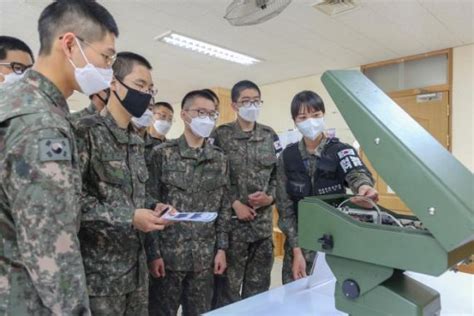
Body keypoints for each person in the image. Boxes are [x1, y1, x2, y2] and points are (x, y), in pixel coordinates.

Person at [0, 0, 119, 314]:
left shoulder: (12, 100)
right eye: (106, 56)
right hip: (24, 299)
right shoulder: (41, 123)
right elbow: (51, 248)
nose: (108, 70)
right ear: (69, 44)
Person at [74, 51, 170, 315]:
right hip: (101, 278)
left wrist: (156, 207)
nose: (146, 95)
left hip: (137, 275)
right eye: (140, 85)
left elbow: (137, 197)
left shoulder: (137, 142)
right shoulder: (84, 131)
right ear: (113, 84)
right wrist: (129, 217)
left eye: (151, 89)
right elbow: (71, 202)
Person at [276, 90, 378, 284]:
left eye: (316, 115)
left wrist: (364, 187)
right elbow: (284, 207)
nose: (310, 122)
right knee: (295, 299)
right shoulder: (287, 157)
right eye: (303, 117)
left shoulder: (341, 150)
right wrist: (297, 250)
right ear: (295, 121)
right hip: (298, 244)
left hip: (334, 243)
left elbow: (356, 173)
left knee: (331, 299)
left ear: (323, 115)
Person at [146, 90, 231, 316]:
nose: (207, 119)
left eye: (212, 114)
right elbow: (149, 203)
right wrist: (153, 253)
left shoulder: (220, 159)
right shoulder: (162, 154)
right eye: (200, 112)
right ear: (184, 115)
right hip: (168, 258)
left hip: (204, 260)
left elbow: (223, 208)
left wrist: (222, 249)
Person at [210, 80, 281, 307]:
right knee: (227, 294)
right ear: (234, 105)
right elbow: (212, 176)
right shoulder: (220, 135)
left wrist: (270, 197)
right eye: (245, 101)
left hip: (261, 231)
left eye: (256, 101)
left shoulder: (271, 136)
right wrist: (234, 203)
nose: (251, 105)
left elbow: (279, 177)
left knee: (259, 293)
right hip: (232, 232)